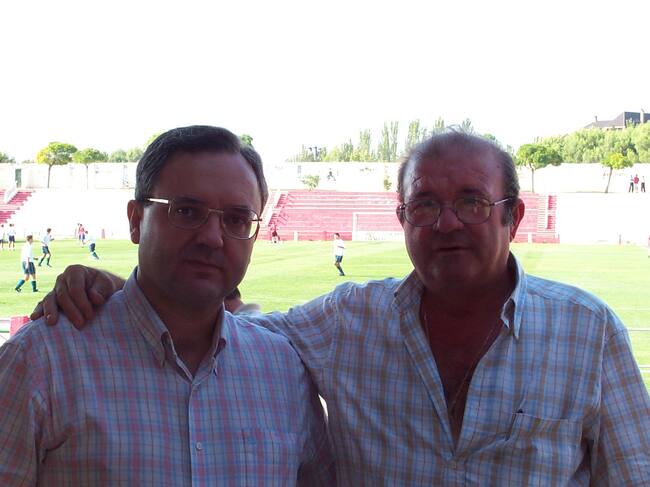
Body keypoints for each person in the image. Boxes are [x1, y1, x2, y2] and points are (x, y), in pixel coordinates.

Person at [33, 131, 650, 485]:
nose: (447, 223)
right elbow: (219, 331)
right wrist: (123, 288)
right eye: (425, 205)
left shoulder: (588, 331)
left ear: (513, 217)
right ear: (403, 219)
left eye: (472, 202)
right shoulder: (345, 322)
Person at [0, 126, 334, 485]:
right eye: (187, 211)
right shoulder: (40, 362)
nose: (212, 237)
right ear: (135, 221)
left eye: (236, 219)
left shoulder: (283, 370)